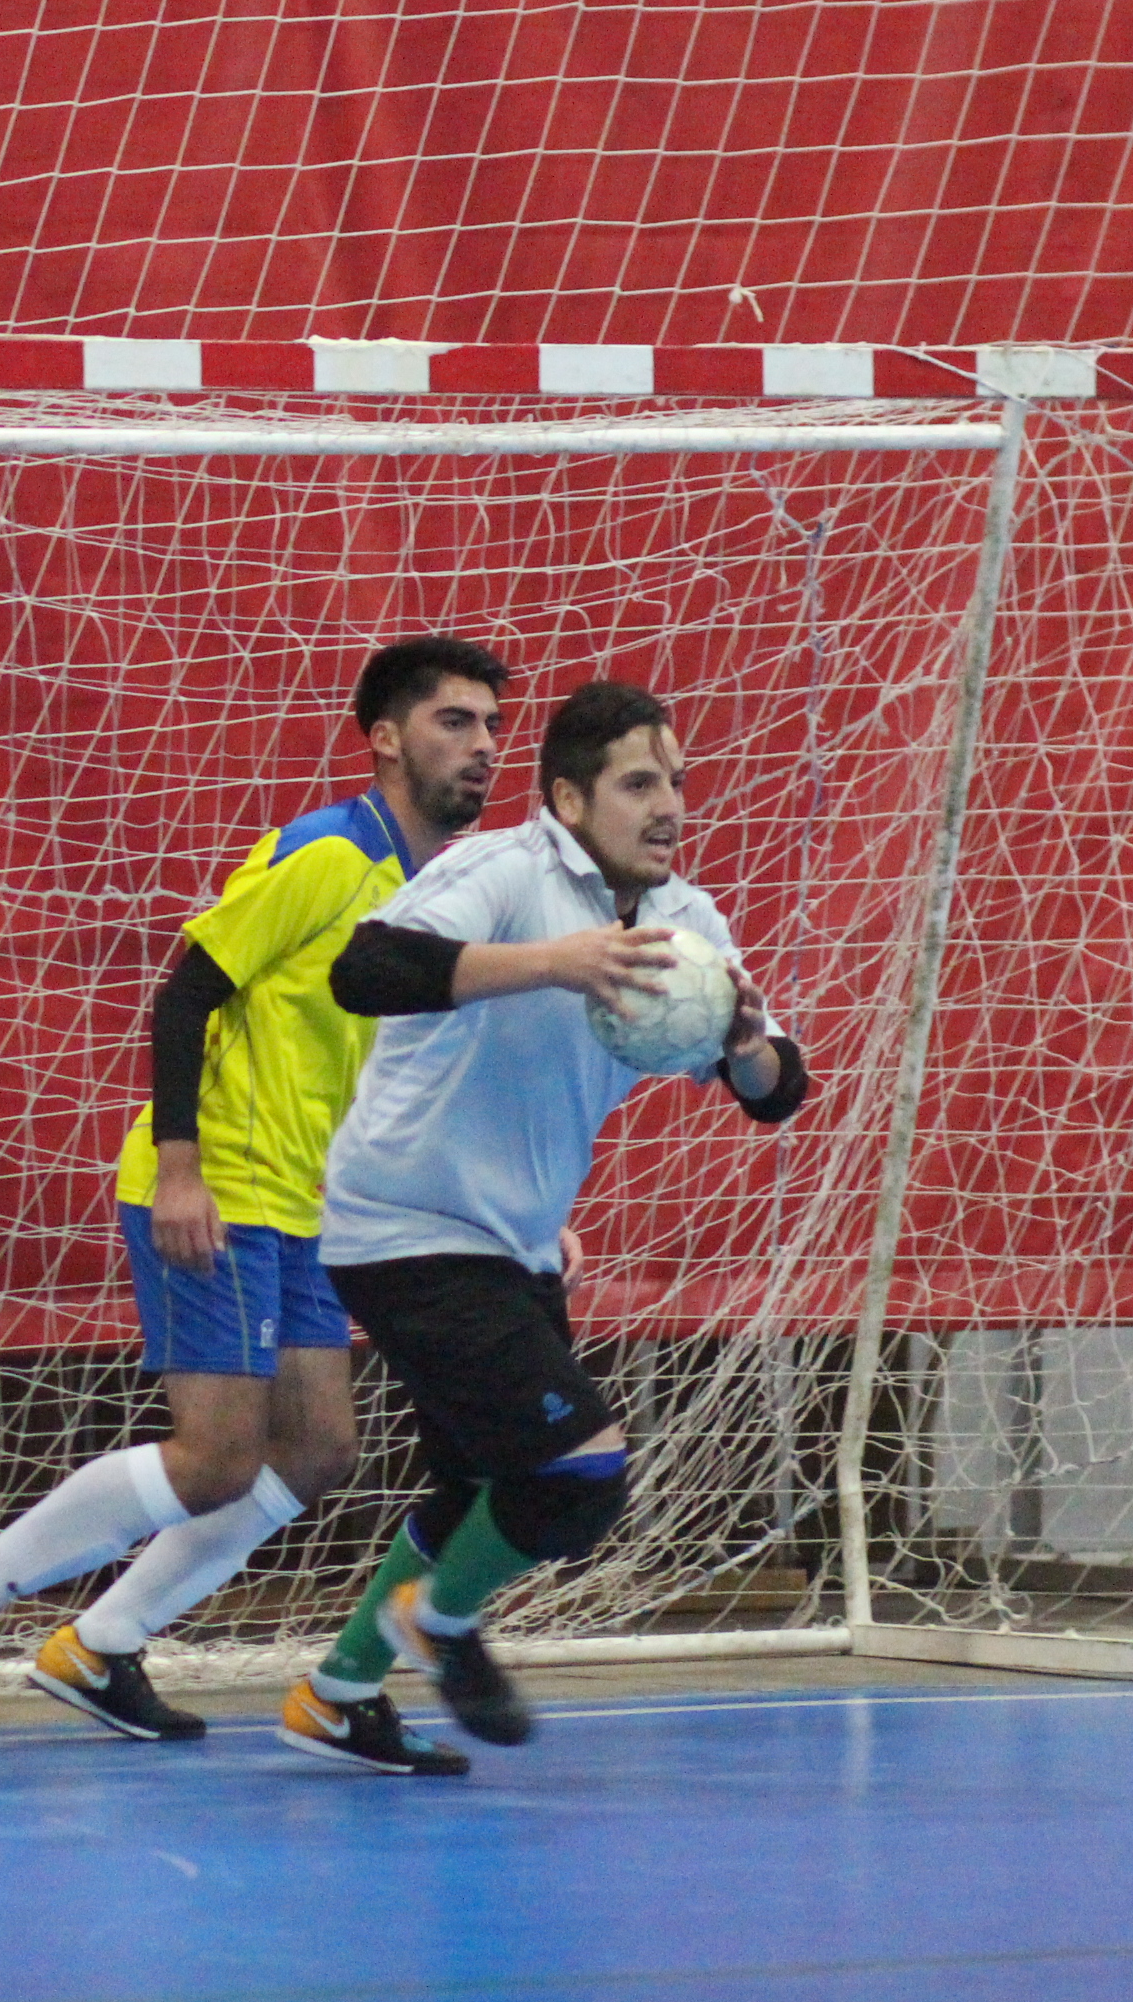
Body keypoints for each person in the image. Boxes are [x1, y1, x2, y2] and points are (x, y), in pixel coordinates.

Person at [0, 638, 510, 1767]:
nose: (482, 747)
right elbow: (185, 997)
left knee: (316, 1447)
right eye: (453, 722)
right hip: (219, 1184)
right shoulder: (328, 854)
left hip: (316, 1203)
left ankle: (101, 1645)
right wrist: (180, 1168)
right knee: (218, 1453)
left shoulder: (446, 894)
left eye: (491, 727)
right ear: (385, 739)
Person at [277, 680, 809, 1768]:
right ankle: (441, 1620)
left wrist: (747, 1045)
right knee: (579, 1471)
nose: (669, 807)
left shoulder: (687, 923)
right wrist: (555, 964)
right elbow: (364, 970)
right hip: (405, 1223)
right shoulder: (505, 872)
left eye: (677, 784)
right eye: (638, 785)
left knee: (484, 1487)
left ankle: (336, 1697)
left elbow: (775, 1092)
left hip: (515, 1242)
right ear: (569, 800)